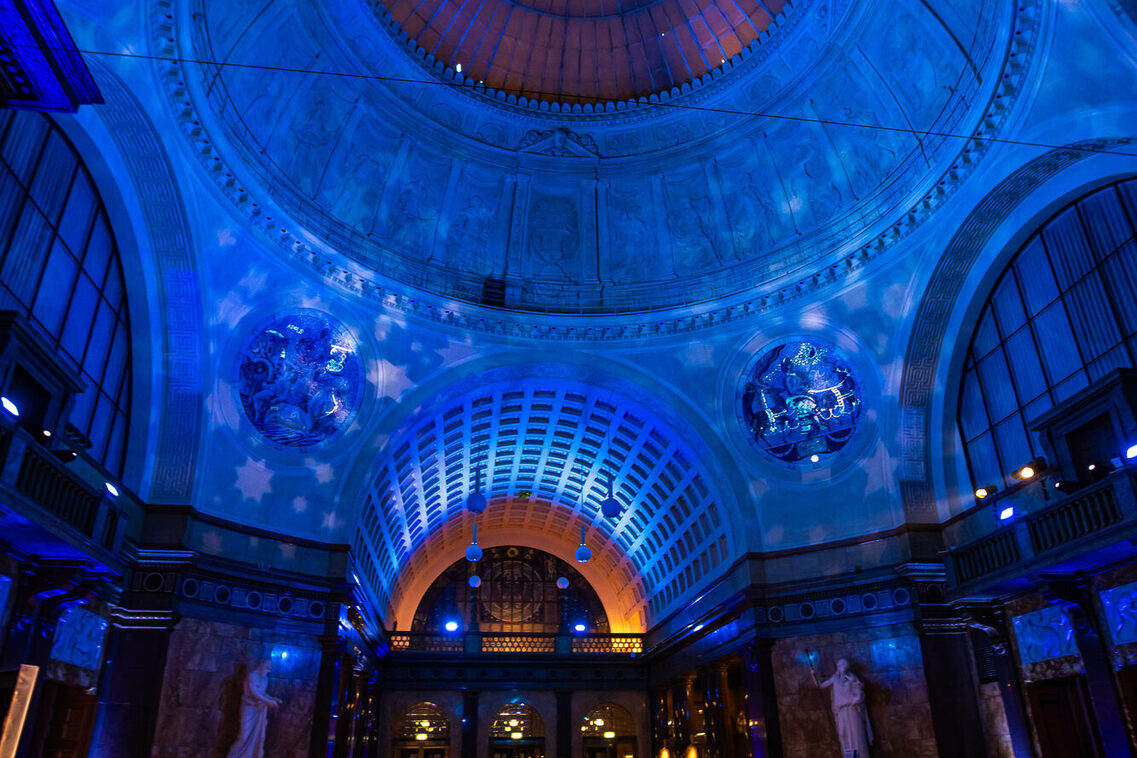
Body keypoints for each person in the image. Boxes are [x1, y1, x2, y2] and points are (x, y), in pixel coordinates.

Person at [813, 658, 872, 758]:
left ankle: (862, 755)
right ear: (838, 667)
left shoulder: (852, 677)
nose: (843, 666)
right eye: (841, 665)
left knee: (856, 732)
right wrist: (814, 674)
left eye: (845, 664)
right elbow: (821, 685)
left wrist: (856, 699)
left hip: (852, 709)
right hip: (841, 710)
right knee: (843, 733)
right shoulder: (835, 678)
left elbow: (859, 692)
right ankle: (850, 755)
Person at [225, 660, 281, 758]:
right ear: (261, 664)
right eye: (267, 667)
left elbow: (262, 694)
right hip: (248, 708)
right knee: (243, 735)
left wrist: (272, 698)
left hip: (258, 709)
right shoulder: (252, 676)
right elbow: (254, 692)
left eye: (270, 668)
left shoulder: (265, 679)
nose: (269, 670)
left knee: (258, 737)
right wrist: (267, 701)